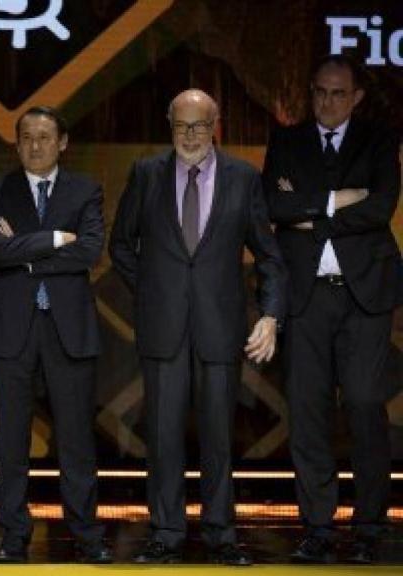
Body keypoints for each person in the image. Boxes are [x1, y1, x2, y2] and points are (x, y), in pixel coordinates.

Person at [109, 89, 286, 566]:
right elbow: (121, 245)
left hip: (220, 325)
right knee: (163, 435)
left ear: (216, 125)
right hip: (163, 325)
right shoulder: (147, 174)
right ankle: (166, 534)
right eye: (181, 126)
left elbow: (269, 256)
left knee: (218, 434)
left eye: (200, 126)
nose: (190, 135)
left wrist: (270, 314)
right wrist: (150, 289)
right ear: (169, 124)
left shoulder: (243, 178)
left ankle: (220, 534)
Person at [262, 54, 401, 565]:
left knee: (364, 403)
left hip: (365, 293)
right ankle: (317, 526)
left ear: (356, 97)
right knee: (307, 409)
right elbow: (274, 207)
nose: (327, 102)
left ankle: (369, 526)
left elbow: (380, 206)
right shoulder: (288, 140)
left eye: (338, 93)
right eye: (320, 91)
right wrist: (337, 201)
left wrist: (311, 212)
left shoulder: (379, 140)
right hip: (306, 295)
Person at [0, 106, 111, 564]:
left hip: (67, 328)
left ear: (63, 142)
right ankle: (14, 536)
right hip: (11, 329)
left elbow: (90, 251)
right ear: (16, 144)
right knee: (10, 440)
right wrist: (55, 239)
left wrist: (24, 251)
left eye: (45, 137)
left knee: (75, 440)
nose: (35, 145)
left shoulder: (85, 189)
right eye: (26, 137)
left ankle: (87, 535)